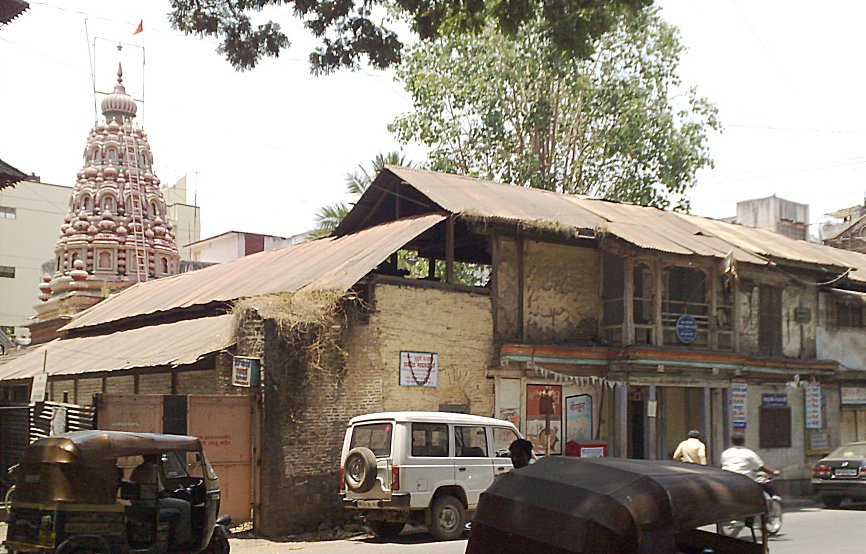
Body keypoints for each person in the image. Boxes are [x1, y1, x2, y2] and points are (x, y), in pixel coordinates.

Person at [130, 454, 192, 546]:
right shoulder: (153, 470)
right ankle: (181, 539)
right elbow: (161, 493)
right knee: (185, 505)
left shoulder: (137, 470)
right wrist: (172, 494)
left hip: (139, 503)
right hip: (152, 503)